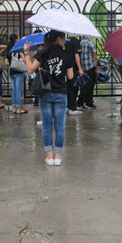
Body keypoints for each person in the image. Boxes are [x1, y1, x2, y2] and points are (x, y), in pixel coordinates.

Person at [22, 30, 73, 166]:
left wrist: (26, 52)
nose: (65, 41)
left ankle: (49, 157)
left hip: (45, 93)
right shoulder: (66, 54)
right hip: (61, 93)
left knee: (47, 126)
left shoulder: (43, 53)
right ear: (59, 39)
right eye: (64, 38)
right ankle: (58, 157)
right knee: (60, 127)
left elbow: (31, 69)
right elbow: (70, 76)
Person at [76, 36, 99, 110]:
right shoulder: (90, 43)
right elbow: (94, 56)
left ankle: (87, 102)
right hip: (90, 66)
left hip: (83, 66)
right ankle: (82, 102)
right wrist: (97, 68)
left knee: (85, 85)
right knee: (90, 85)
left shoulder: (81, 42)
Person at [7, 34, 27, 114]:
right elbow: (24, 60)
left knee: (14, 90)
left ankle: (14, 107)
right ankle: (18, 108)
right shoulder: (19, 48)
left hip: (12, 71)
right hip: (18, 71)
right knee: (18, 91)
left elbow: (7, 61)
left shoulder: (10, 48)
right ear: (16, 39)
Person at [65, 34, 83, 115]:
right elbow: (76, 55)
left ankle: (68, 106)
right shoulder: (76, 41)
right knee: (74, 87)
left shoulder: (67, 41)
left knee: (69, 87)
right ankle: (72, 107)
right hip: (74, 67)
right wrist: (80, 68)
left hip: (67, 66)